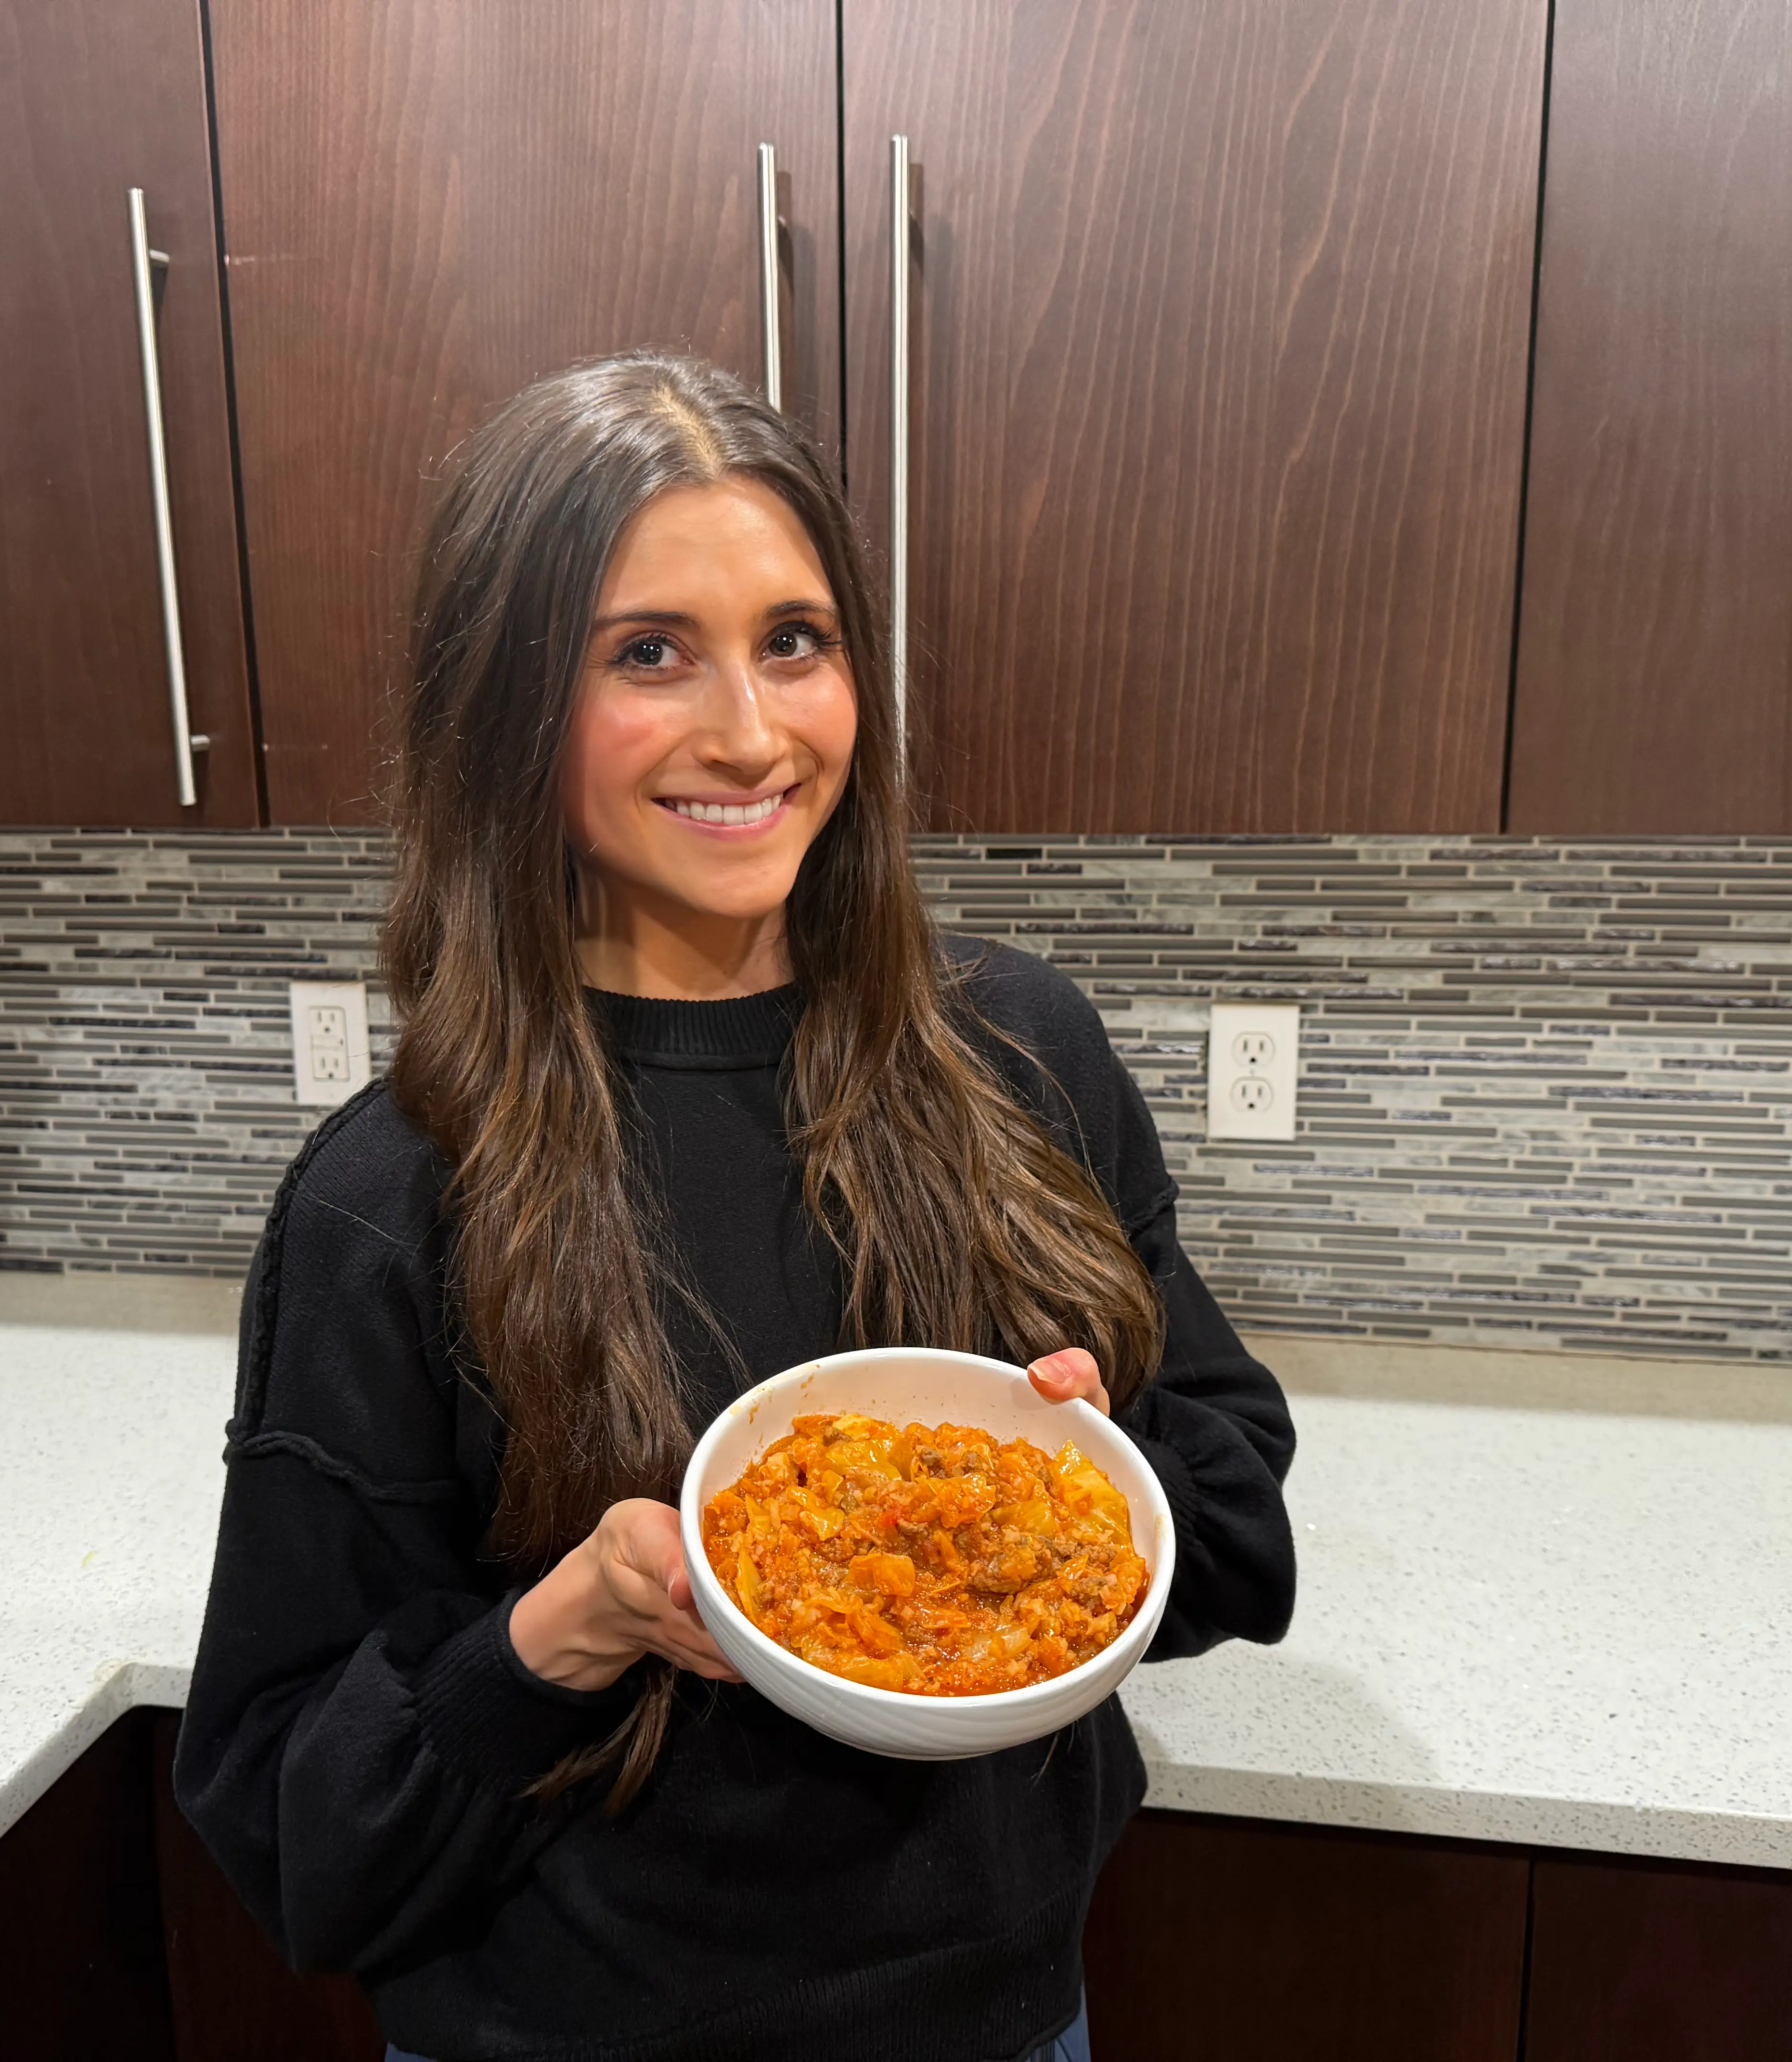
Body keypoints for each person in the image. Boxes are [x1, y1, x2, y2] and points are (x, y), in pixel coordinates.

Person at [175, 353, 1296, 2062]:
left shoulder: (1023, 1061)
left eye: (796, 639)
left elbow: (1233, 1529)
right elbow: (291, 1831)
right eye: (649, 654)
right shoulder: (393, 1201)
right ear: (508, 707)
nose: (755, 732)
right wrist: (569, 1622)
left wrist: (1087, 1463)